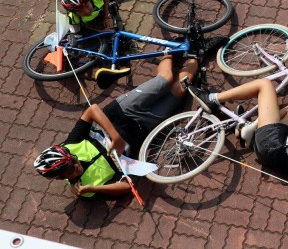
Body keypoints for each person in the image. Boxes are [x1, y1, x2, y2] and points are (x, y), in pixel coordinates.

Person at [33, 54, 201, 197]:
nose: (75, 164)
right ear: (61, 178)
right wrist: (94, 188)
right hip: (142, 129)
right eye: (70, 169)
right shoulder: (86, 188)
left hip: (122, 111)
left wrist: (115, 137)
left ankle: (170, 51)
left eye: (72, 159)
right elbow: (127, 186)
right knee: (179, 90)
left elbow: (92, 110)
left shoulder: (70, 145)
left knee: (164, 81)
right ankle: (196, 55)